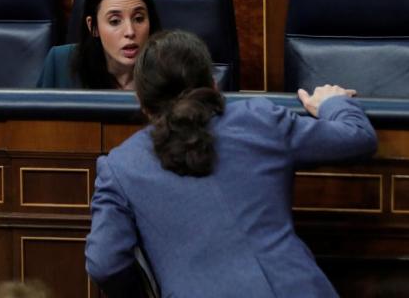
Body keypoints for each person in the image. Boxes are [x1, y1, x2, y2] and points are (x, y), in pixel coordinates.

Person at [85, 30, 378, 297]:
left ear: (142, 102)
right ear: (214, 85)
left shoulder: (120, 166)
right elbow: (358, 137)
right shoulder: (259, 119)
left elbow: (104, 263)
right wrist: (331, 103)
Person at [37, 0, 161, 90]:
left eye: (139, 19)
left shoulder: (169, 69)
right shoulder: (59, 64)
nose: (130, 32)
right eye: (115, 21)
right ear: (93, 27)